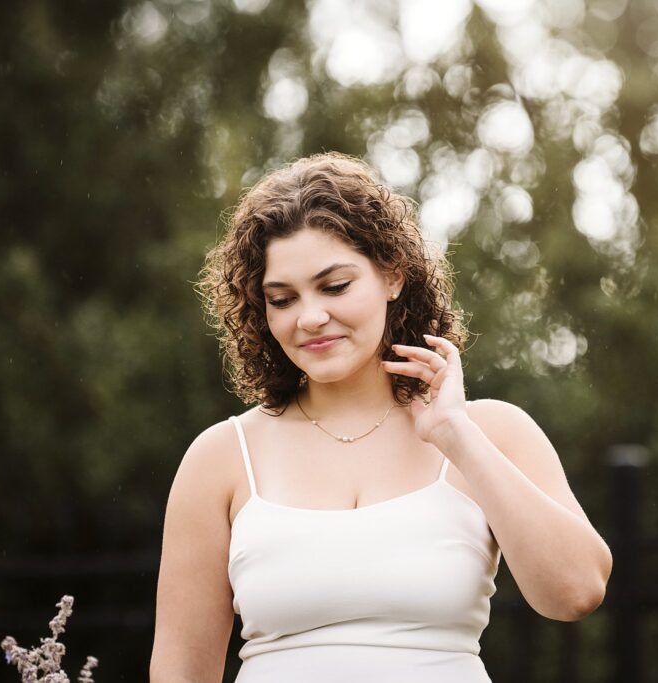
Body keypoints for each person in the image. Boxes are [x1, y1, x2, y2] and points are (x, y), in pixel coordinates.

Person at [149, 152, 612, 683]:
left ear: (393, 275)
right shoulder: (222, 457)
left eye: (335, 286)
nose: (311, 317)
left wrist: (456, 436)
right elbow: (180, 672)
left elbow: (577, 592)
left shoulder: (491, 431)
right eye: (283, 298)